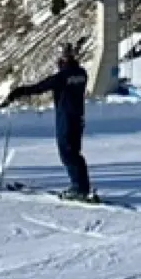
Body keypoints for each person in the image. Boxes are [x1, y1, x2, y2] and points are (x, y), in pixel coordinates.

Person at [7, 42, 92, 199]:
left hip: (65, 117)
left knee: (66, 152)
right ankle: (83, 186)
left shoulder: (62, 76)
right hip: (78, 117)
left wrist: (20, 91)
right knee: (75, 152)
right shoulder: (82, 73)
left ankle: (79, 188)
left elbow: (40, 87)